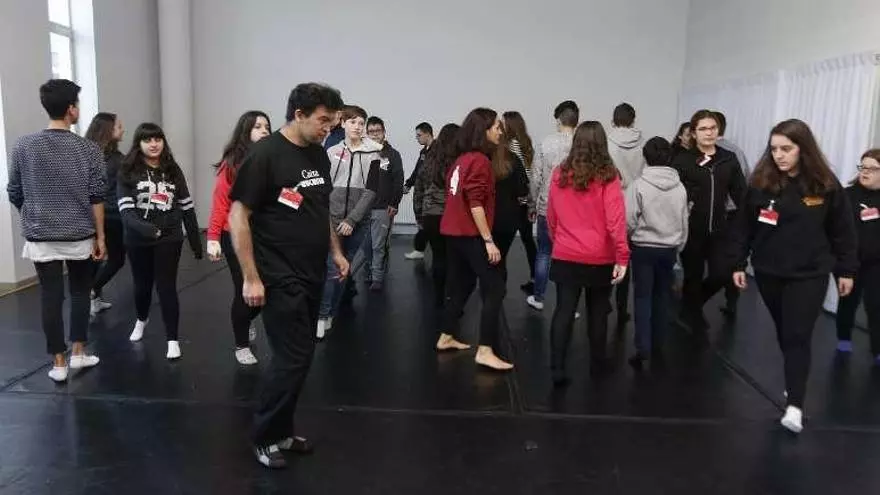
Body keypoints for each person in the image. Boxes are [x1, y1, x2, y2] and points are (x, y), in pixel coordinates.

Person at [228, 82, 348, 469]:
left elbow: (319, 208)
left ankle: (281, 430)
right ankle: (264, 436)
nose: (328, 128)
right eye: (323, 120)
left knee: (302, 357)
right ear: (299, 114)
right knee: (291, 357)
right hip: (278, 273)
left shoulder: (317, 154)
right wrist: (250, 277)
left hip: (312, 271)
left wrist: (335, 252)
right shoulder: (265, 155)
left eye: (332, 121)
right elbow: (238, 216)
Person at [730, 119, 857, 434]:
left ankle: (795, 405)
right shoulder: (761, 183)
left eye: (786, 149)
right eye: (774, 149)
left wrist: (846, 269)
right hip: (769, 271)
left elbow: (843, 231)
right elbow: (743, 227)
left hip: (810, 273)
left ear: (803, 149)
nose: (779, 155)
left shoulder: (825, 185)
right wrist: (737, 263)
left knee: (798, 334)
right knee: (786, 333)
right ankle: (794, 378)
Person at [7, 79, 105, 382]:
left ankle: (58, 363)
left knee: (50, 296)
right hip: (79, 233)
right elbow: (96, 196)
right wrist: (101, 236)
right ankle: (78, 352)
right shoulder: (88, 149)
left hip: (40, 234)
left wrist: (33, 213)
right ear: (71, 109)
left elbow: (14, 190)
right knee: (80, 292)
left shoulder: (23, 146)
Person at [547, 121, 629, 385]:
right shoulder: (609, 176)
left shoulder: (559, 173)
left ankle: (557, 368)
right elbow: (615, 221)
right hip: (599, 256)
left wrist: (559, 241)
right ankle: (597, 365)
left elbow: (551, 215)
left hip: (565, 253)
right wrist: (622, 256)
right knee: (598, 313)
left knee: (563, 311)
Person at [118, 123, 203, 360]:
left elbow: (186, 206)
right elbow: (126, 211)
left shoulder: (172, 169)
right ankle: (141, 319)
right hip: (137, 239)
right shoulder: (128, 170)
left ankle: (172, 339)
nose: (153, 144)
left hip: (169, 237)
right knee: (142, 285)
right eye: (148, 140)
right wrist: (148, 230)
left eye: (157, 139)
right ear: (139, 144)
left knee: (166, 287)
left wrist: (195, 242)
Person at [437, 108, 513, 371]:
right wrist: (488, 241)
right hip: (470, 236)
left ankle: (446, 335)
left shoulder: (462, 160)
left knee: (464, 284)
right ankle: (485, 349)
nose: (500, 132)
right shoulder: (480, 161)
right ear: (483, 130)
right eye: (496, 127)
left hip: (454, 234)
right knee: (495, 288)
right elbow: (475, 203)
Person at [672, 109, 746, 336]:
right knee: (692, 277)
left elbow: (741, 193)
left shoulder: (728, 159)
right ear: (694, 133)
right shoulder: (683, 160)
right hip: (692, 229)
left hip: (720, 230)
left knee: (722, 274)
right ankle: (692, 315)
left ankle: (690, 306)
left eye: (712, 128)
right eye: (703, 129)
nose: (709, 132)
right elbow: (673, 194)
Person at [206, 110, 271, 365]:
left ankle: (246, 319)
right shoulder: (232, 163)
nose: (264, 130)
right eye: (257, 126)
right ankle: (241, 344)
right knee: (245, 289)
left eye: (266, 126)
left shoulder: (271, 160)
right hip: (234, 235)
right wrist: (212, 238)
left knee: (265, 292)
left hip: (263, 236)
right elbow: (220, 203)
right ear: (245, 132)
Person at [318, 105, 381, 338]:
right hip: (332, 221)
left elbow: (371, 191)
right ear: (342, 123)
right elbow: (324, 188)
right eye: (353, 122)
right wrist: (331, 218)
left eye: (361, 123)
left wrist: (352, 220)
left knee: (344, 269)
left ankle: (331, 313)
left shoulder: (374, 153)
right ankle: (322, 315)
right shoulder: (331, 151)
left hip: (358, 222)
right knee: (331, 267)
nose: (357, 126)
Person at [625, 137, 688, 369]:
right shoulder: (680, 187)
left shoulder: (638, 185)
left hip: (643, 247)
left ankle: (643, 347)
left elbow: (629, 219)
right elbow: (684, 220)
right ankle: (659, 343)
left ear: (645, 156)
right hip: (669, 248)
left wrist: (629, 238)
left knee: (642, 297)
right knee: (662, 296)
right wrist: (679, 245)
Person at [527, 100, 578, 311]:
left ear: (558, 120)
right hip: (574, 210)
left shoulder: (545, 143)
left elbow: (536, 177)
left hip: (547, 206)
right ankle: (569, 306)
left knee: (544, 252)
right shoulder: (581, 145)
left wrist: (532, 204)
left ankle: (538, 297)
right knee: (570, 257)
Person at [413, 123, 460, 328]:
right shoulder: (457, 161)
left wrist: (419, 214)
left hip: (430, 215)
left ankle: (439, 298)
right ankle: (453, 299)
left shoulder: (429, 159)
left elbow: (419, 188)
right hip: (451, 215)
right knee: (453, 259)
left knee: (438, 257)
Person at [836, 149, 880, 362]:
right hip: (850, 261)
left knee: (876, 305)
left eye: (873, 168)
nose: (865, 172)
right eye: (863, 167)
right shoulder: (847, 195)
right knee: (848, 301)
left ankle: (877, 349)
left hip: (877, 263)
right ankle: (843, 339)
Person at [607, 103, 645, 328]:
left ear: (613, 120)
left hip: (613, 200)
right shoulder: (642, 142)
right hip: (636, 200)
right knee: (626, 256)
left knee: (608, 254)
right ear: (633, 120)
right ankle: (622, 308)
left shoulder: (607, 142)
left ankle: (604, 300)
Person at [85, 112, 125, 316]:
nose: (122, 130)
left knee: (95, 259)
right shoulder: (117, 160)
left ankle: (94, 298)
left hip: (91, 215)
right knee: (117, 259)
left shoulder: (86, 155)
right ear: (108, 131)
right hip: (112, 216)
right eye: (118, 126)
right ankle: (92, 291)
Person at [714, 110, 752, 319]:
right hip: (734, 212)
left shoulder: (710, 153)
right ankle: (732, 300)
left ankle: (694, 304)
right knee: (732, 258)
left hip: (715, 213)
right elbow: (746, 180)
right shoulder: (737, 151)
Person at [363, 116, 405, 290]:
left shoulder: (392, 154)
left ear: (384, 132)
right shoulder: (362, 153)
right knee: (366, 246)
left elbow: (398, 180)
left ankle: (377, 278)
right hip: (363, 208)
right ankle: (370, 271)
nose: (374, 135)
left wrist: (394, 203)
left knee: (378, 246)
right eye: (371, 132)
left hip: (383, 207)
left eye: (377, 131)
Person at [501, 111, 538, 294]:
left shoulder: (512, 146)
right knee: (528, 241)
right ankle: (535, 279)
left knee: (503, 244)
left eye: (503, 123)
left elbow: (519, 174)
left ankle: (498, 283)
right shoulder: (525, 143)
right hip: (525, 200)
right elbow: (529, 174)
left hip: (516, 201)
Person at [492, 121, 531, 269]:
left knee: (486, 262)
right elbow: (523, 190)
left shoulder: (481, 158)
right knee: (501, 260)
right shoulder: (513, 159)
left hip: (486, 217)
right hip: (508, 218)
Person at [404, 122, 434, 260]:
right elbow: (418, 170)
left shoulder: (437, 151)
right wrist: (408, 184)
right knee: (421, 221)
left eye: (419, 135)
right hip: (421, 193)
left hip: (431, 193)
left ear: (428, 133)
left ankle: (422, 249)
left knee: (428, 222)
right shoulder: (424, 152)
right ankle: (419, 249)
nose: (417, 138)